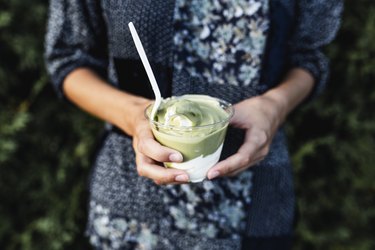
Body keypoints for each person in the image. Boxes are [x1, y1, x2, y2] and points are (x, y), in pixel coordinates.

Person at [45, 0, 343, 249]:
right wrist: (134, 115)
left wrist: (275, 106)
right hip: (132, 213)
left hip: (254, 206)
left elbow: (310, 56)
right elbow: (69, 57)